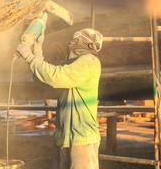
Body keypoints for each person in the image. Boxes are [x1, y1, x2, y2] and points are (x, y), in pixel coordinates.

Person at [17, 28, 103, 169]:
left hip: (82, 139)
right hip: (64, 138)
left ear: (89, 44)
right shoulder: (71, 66)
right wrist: (37, 49)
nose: (71, 41)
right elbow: (45, 79)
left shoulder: (90, 61)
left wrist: (30, 57)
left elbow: (56, 76)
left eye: (77, 39)